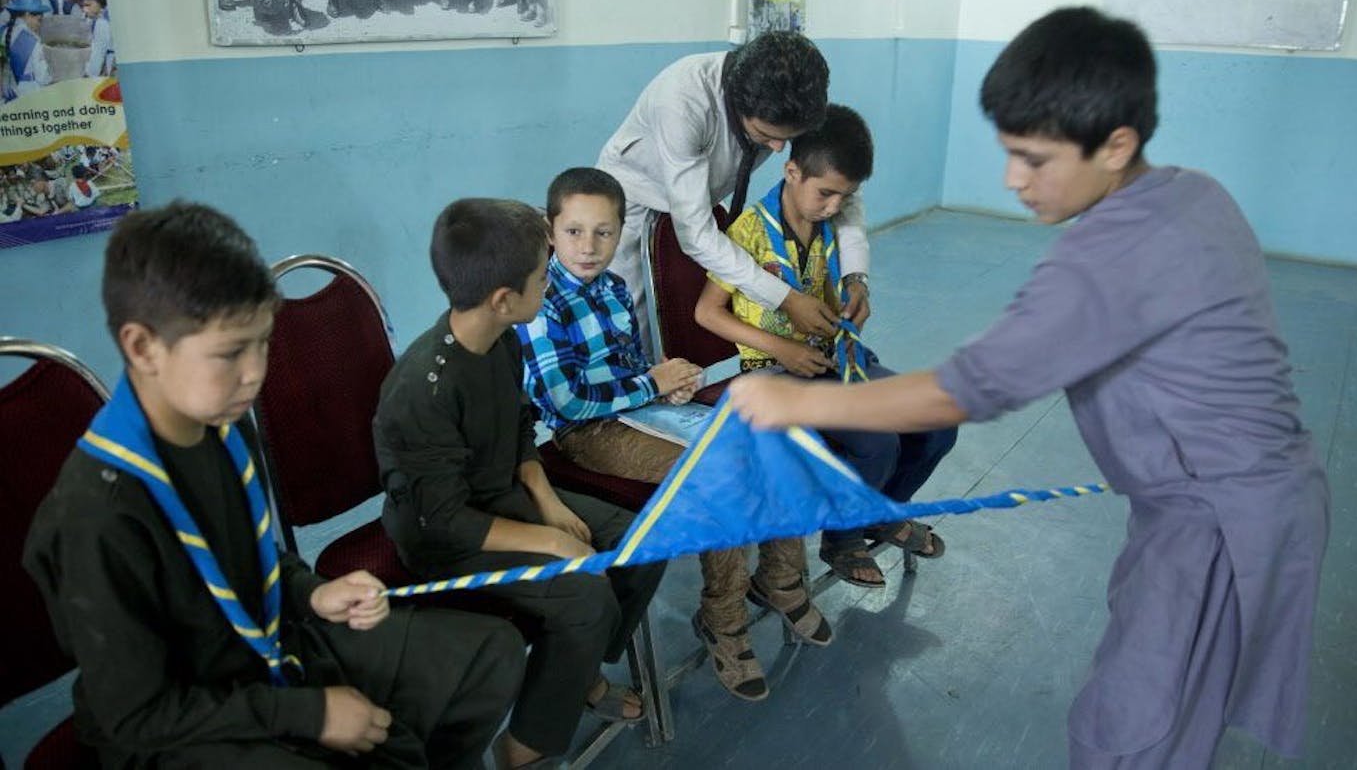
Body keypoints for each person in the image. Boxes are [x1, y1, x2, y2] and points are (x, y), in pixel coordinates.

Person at [728, 7, 1330, 769]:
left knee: (1126, 734)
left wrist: (800, 399)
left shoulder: (1105, 259)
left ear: (1115, 145)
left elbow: (967, 388)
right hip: (1254, 502)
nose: (1014, 179)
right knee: (1175, 704)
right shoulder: (1192, 194)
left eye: (1035, 158)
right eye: (1008, 152)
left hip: (1215, 524)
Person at [23, 201, 525, 766]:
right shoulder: (95, 518)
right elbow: (141, 718)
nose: (255, 373)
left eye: (261, 342)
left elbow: (253, 554)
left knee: (489, 656)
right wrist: (311, 714)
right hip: (182, 726)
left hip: (274, 643)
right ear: (143, 348)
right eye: (229, 353)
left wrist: (313, 591)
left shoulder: (218, 419)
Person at [516, 169, 834, 702]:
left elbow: (632, 366)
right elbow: (567, 400)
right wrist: (647, 384)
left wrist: (668, 383)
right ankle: (723, 616)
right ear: (551, 232)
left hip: (640, 413)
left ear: (621, 231)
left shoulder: (615, 289)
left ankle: (780, 578)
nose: (589, 247)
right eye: (574, 232)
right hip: (586, 433)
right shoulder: (541, 303)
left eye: (604, 232)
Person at [374, 198, 667, 769]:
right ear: (505, 297)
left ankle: (573, 672)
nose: (551, 275)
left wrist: (547, 501)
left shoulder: (502, 336)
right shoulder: (422, 390)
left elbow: (517, 431)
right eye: (542, 273)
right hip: (446, 538)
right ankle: (523, 747)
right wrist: (552, 541)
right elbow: (444, 519)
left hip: (499, 499)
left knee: (639, 542)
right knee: (586, 597)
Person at [696, 103, 958, 587]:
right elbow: (706, 313)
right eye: (826, 193)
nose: (835, 206)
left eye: (846, 196)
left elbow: (847, 264)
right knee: (876, 441)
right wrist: (781, 347)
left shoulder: (833, 225)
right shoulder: (749, 232)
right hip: (773, 372)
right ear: (792, 171)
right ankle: (841, 536)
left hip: (835, 360)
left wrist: (859, 289)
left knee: (937, 423)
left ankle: (876, 512)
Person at [596, 30, 868, 361]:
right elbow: (694, 234)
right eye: (766, 136)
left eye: (788, 138)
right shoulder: (683, 102)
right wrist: (785, 299)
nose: (779, 148)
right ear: (738, 105)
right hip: (635, 203)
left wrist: (855, 275)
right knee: (631, 324)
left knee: (696, 315)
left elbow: (841, 181)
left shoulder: (797, 102)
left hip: (702, 201)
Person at [3, 0, 52, 101]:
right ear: (27, 15)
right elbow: (43, 78)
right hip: (28, 93)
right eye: (39, 20)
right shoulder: (33, 40)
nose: (39, 24)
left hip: (7, 93)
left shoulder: (2, 32)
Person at [80, 0, 114, 78]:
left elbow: (97, 56)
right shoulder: (108, 15)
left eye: (88, 5)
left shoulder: (101, 23)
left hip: (110, 66)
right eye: (84, 5)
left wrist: (88, 74)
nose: (85, 9)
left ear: (99, 2)